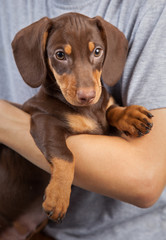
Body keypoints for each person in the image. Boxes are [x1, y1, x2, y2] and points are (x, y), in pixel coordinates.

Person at [0, 0, 166, 239]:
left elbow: (146, 182)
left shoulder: (150, 9)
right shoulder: (8, 7)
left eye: (96, 52)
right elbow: (50, 125)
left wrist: (116, 113)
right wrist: (62, 170)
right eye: (61, 56)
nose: (86, 89)